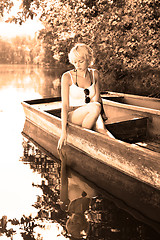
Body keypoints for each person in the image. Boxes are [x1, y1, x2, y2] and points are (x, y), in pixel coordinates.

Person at [57, 43, 114, 150]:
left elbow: (96, 98)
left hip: (92, 111)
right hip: (74, 115)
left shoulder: (94, 74)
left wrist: (101, 116)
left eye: (81, 61)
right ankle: (85, 138)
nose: (77, 65)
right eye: (74, 62)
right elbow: (64, 106)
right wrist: (63, 132)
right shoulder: (67, 77)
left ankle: (124, 149)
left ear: (88, 60)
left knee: (104, 132)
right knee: (96, 107)